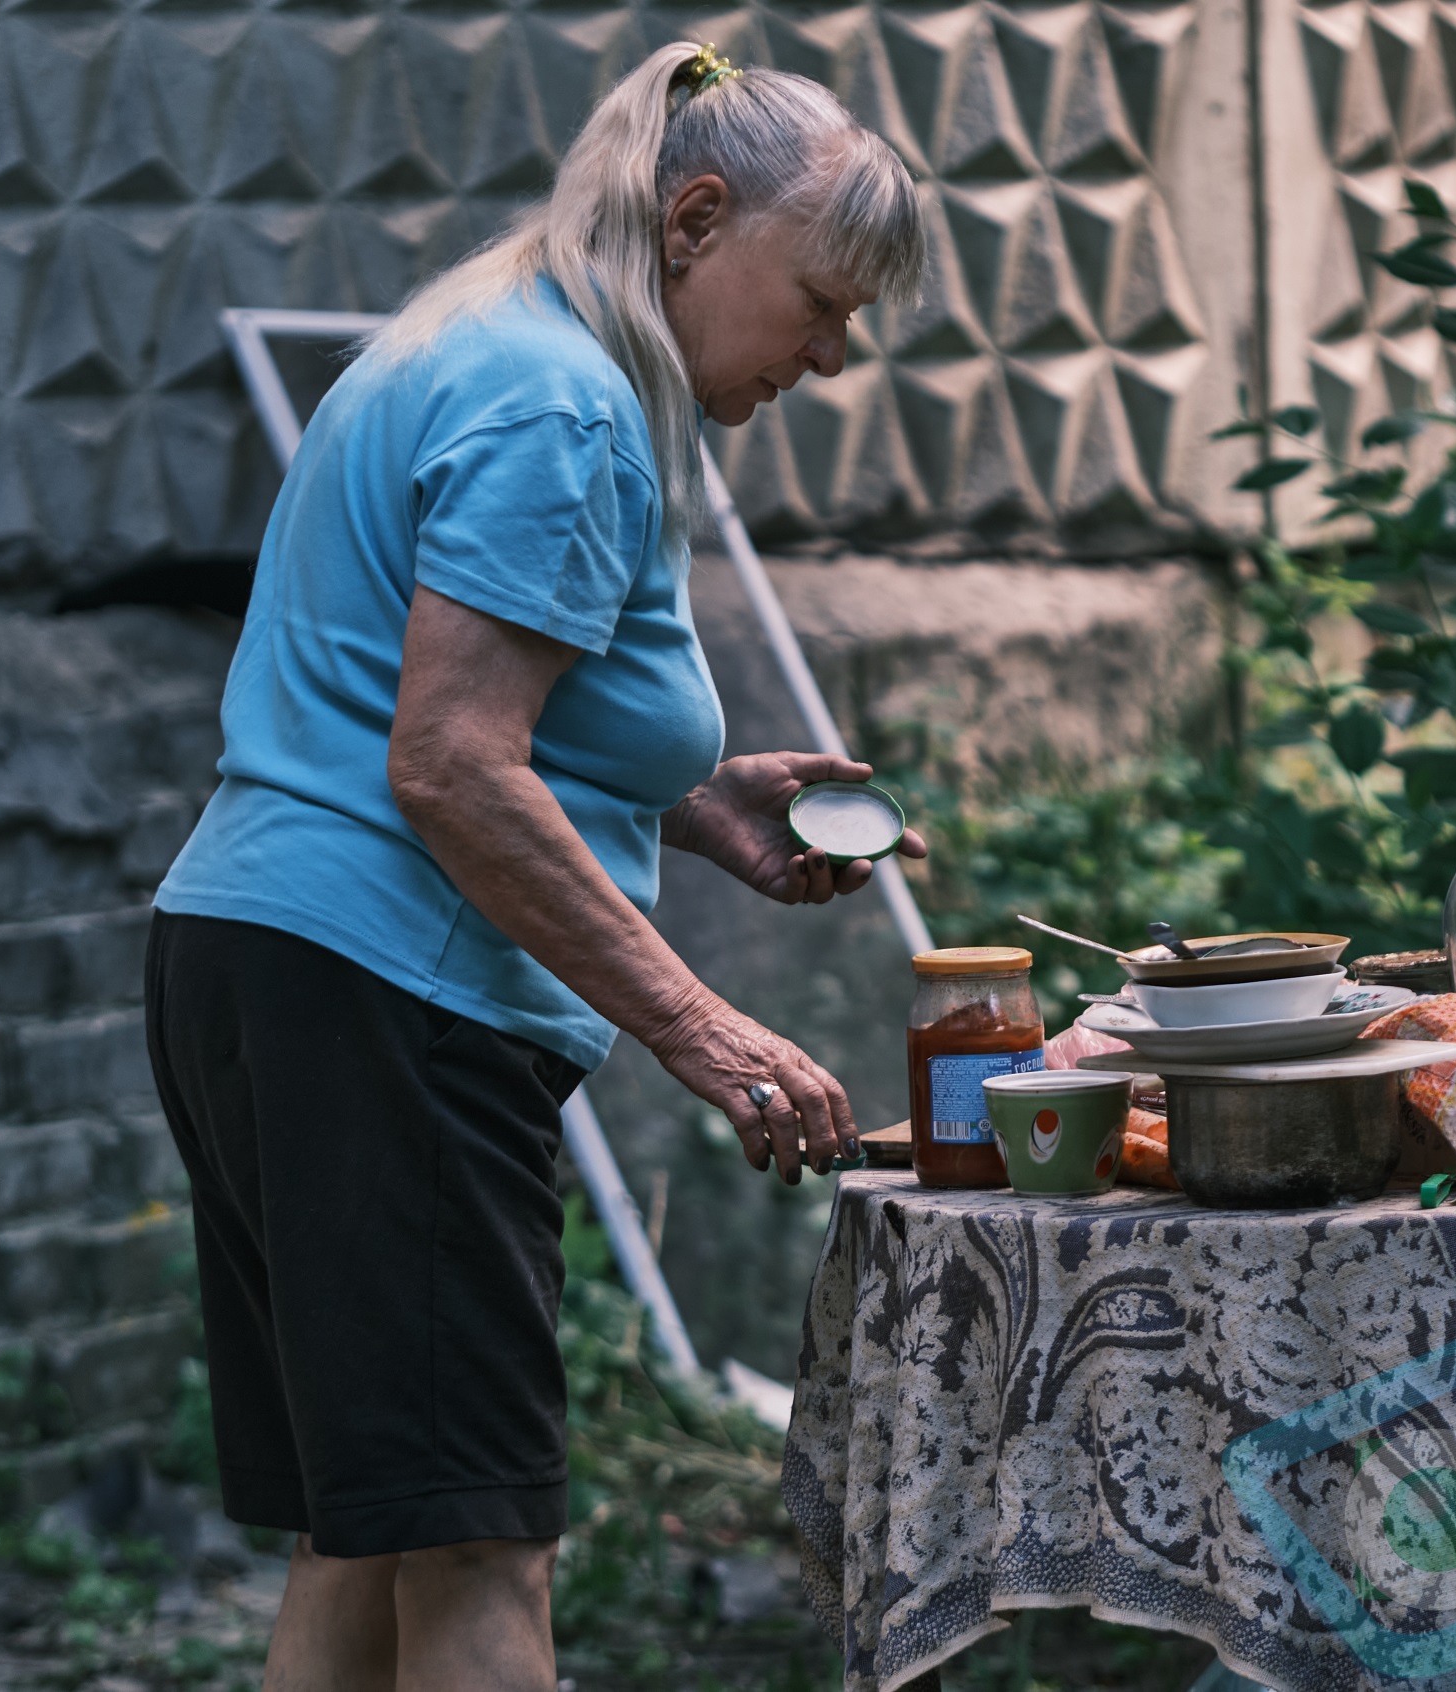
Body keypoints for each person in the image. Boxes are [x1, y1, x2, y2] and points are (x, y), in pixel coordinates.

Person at [142, 43, 926, 1692]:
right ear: (696, 219)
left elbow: (439, 710)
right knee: (485, 1539)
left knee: (374, 1529)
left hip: (260, 958)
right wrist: (699, 1027)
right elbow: (446, 765)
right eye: (823, 301)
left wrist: (690, 801)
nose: (833, 354)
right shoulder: (563, 405)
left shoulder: (496, 345)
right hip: (384, 995)